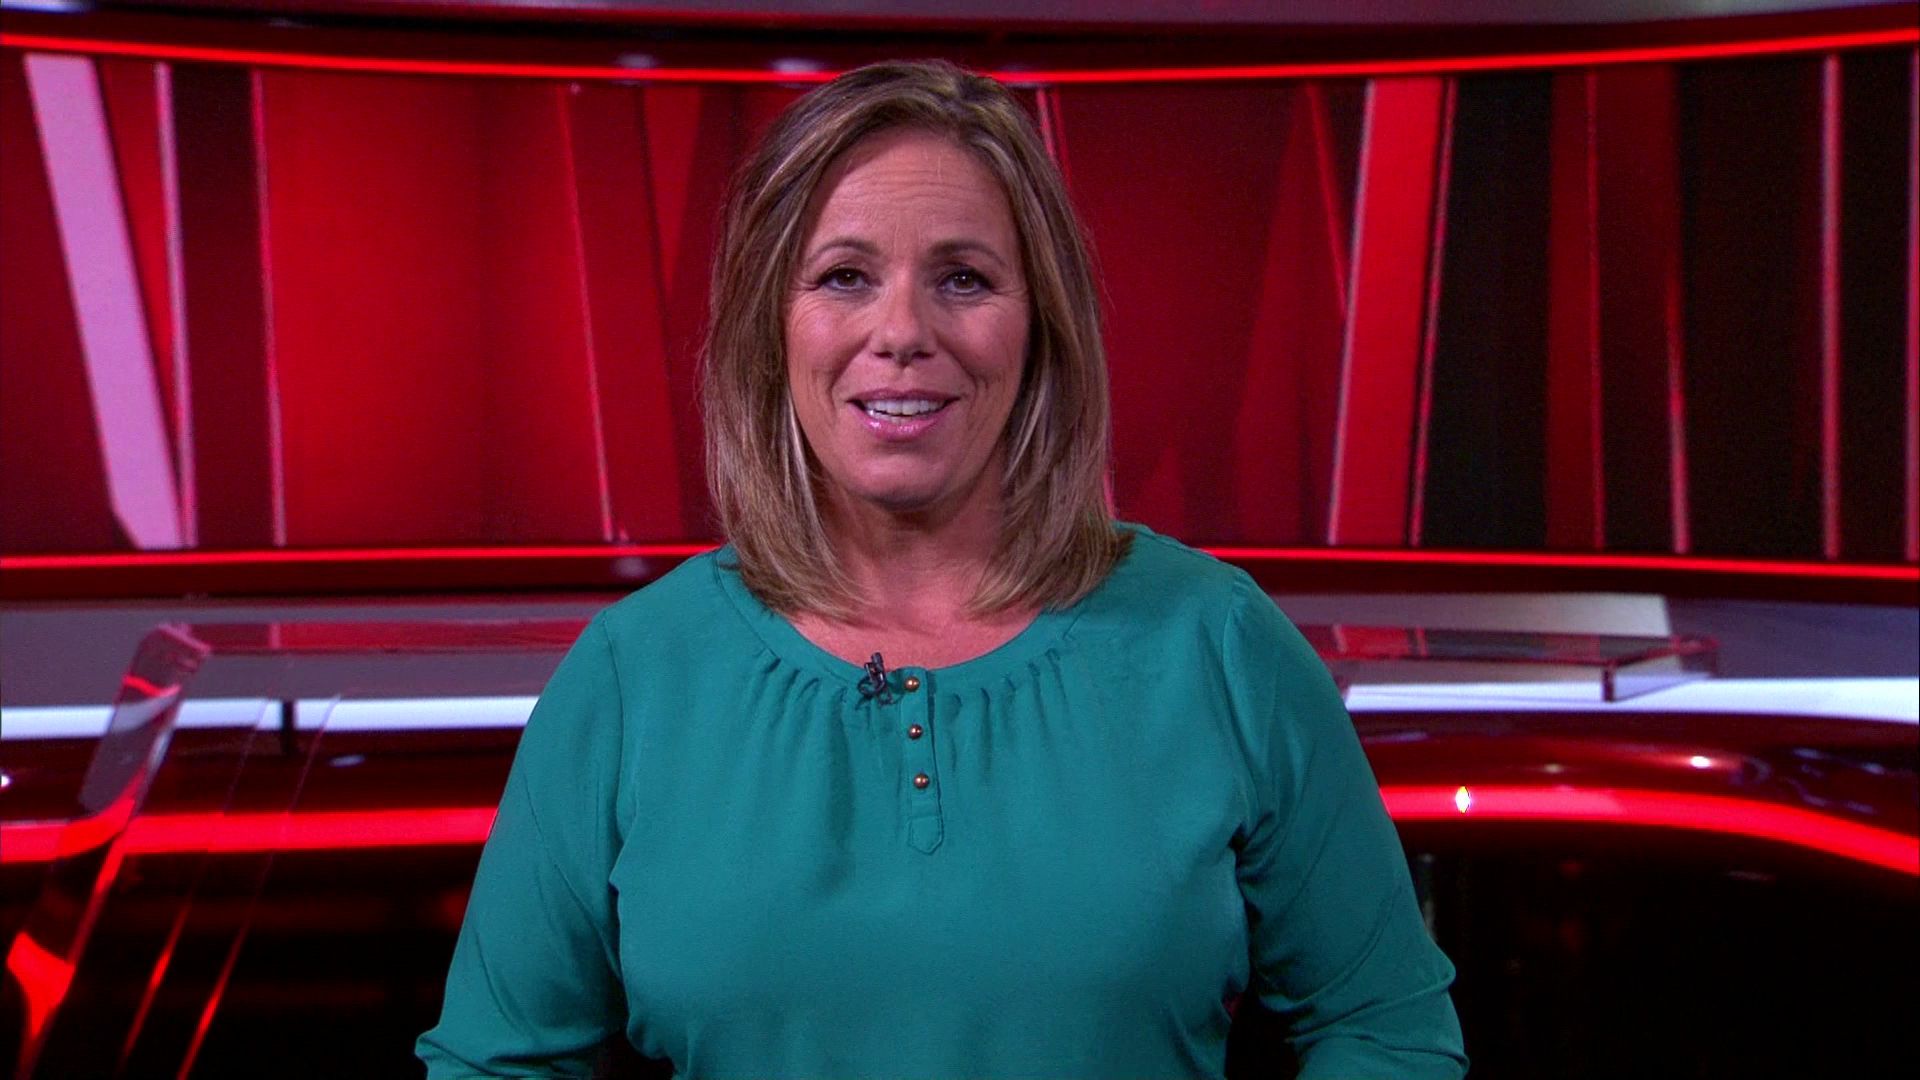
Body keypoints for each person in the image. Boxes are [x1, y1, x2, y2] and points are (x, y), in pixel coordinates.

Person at [418, 59, 1466, 1079]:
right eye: (845, 277)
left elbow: (1389, 1030)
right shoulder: (635, 672)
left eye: (964, 278)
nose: (904, 333)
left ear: (1041, 326)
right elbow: (494, 1062)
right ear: (770, 329)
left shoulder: (1215, 642)